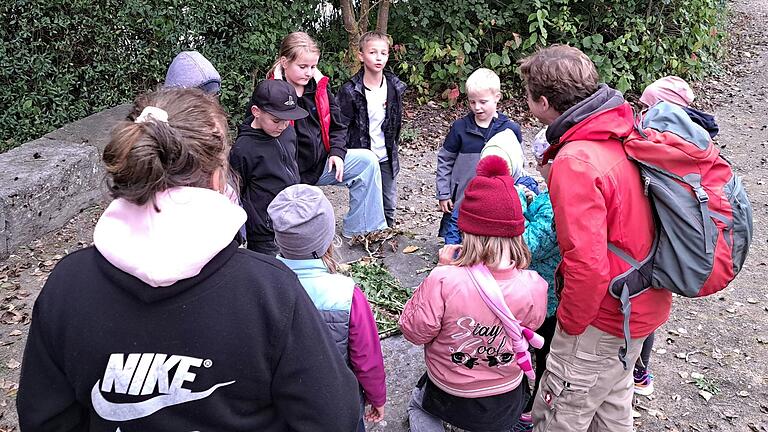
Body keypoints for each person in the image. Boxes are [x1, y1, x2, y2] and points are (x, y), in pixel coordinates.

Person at [16, 88, 361, 431]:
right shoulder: (271, 292)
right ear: (216, 176)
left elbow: (42, 418)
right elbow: (333, 416)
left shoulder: (66, 285)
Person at [519, 45, 672, 432]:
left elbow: (586, 264)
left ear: (543, 102)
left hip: (602, 316)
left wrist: (568, 328)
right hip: (640, 303)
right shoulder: (620, 128)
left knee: (559, 416)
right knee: (612, 405)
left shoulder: (576, 159)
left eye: (528, 98)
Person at [400, 155, 548, 432]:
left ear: (468, 231)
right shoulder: (534, 284)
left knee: (418, 405)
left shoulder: (444, 279)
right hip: (505, 395)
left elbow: (414, 331)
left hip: (449, 392)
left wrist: (440, 270)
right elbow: (532, 325)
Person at [268, 184, 387, 431]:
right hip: (338, 403)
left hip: (282, 404)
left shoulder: (261, 284)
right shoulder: (346, 294)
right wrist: (377, 397)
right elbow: (367, 357)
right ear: (327, 237)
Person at [630, 76, 721, 396]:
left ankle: (638, 373)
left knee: (644, 307)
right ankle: (640, 373)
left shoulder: (665, 143)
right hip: (673, 240)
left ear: (663, 109)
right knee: (651, 309)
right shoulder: (695, 141)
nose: (640, 112)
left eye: (646, 106)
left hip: (658, 240)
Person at [264, 31, 387, 238]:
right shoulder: (269, 92)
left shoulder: (320, 88)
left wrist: (337, 153)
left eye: (313, 66)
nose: (309, 73)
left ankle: (363, 232)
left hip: (321, 164)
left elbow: (338, 126)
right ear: (284, 62)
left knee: (367, 161)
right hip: (287, 173)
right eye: (302, 67)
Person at [435, 68, 523, 240]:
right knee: (455, 239)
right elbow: (445, 160)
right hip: (461, 200)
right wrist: (443, 193)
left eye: (483, 102)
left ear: (497, 97)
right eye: (472, 102)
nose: (477, 107)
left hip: (496, 201)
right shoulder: (460, 128)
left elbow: (518, 164)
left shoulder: (510, 130)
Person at [514, 128, 561, 431]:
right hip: (545, 291)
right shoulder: (550, 198)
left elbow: (528, 244)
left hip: (547, 298)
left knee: (544, 351)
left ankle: (536, 408)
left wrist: (517, 199)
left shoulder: (555, 203)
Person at [337, 31, 407, 228]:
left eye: (383, 53)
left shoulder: (394, 86)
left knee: (389, 203)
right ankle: (361, 234)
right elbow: (340, 126)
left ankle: (388, 236)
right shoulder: (350, 90)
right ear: (361, 55)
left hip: (386, 156)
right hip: (362, 156)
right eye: (373, 52)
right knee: (362, 200)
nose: (378, 57)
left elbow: (397, 122)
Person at [230, 80, 308, 255]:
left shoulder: (288, 132)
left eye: (287, 120)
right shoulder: (244, 148)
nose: (282, 125)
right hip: (264, 233)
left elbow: (293, 165)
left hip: (293, 220)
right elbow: (237, 191)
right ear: (256, 112)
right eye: (276, 120)